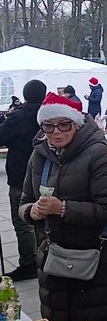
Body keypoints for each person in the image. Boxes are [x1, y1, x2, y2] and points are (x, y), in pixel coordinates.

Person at [19, 93, 107, 321]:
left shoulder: (97, 154)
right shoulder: (38, 155)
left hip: (98, 265)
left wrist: (62, 208)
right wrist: (33, 211)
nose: (55, 132)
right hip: (55, 265)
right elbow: (24, 203)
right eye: (48, 126)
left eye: (64, 124)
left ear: (76, 124)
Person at [0, 80, 46, 281]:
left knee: (23, 221)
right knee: (46, 220)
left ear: (25, 95)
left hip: (21, 176)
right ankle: (47, 258)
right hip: (48, 176)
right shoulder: (50, 115)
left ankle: (29, 263)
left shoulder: (17, 117)